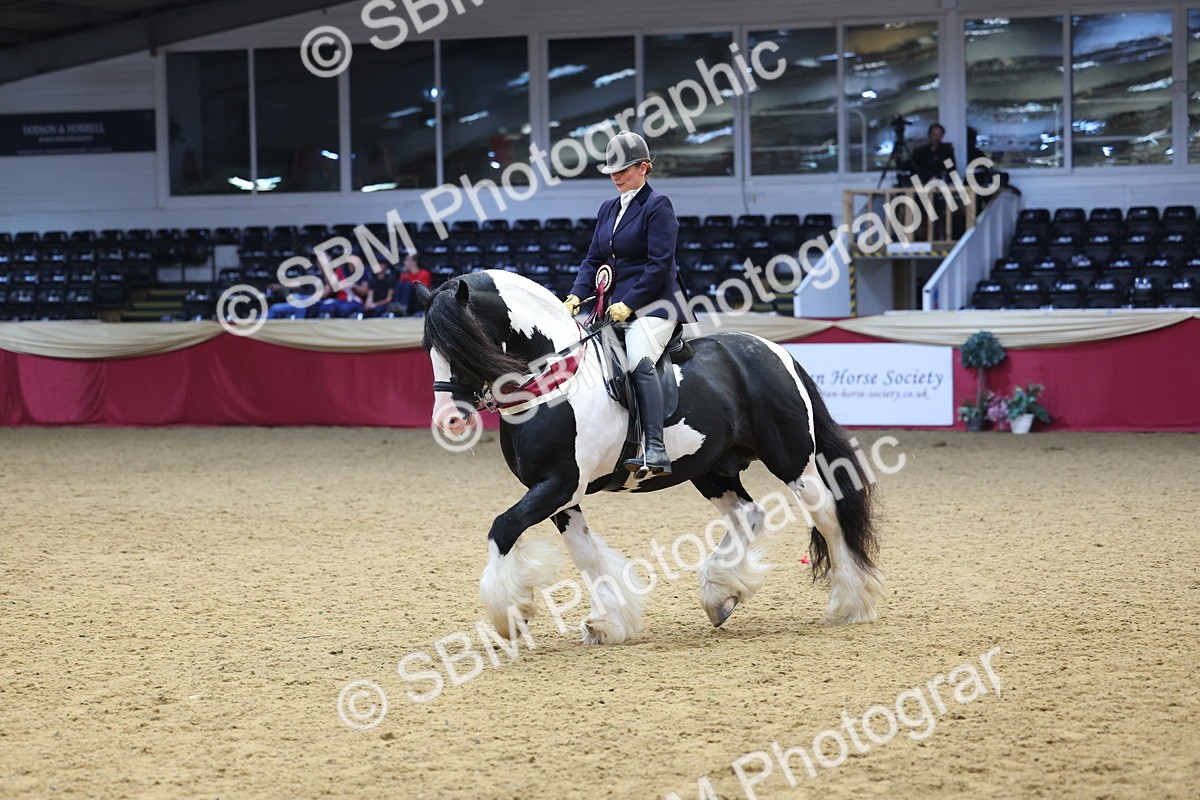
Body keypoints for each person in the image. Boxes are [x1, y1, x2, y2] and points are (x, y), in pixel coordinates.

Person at [563, 130, 692, 477]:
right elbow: (593, 259)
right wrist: (577, 292)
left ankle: (654, 446)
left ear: (644, 167)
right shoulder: (608, 208)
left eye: (623, 170)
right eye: (612, 171)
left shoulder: (657, 205)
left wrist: (632, 303)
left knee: (636, 358)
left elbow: (660, 263)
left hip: (657, 304)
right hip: (611, 305)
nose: (615, 176)